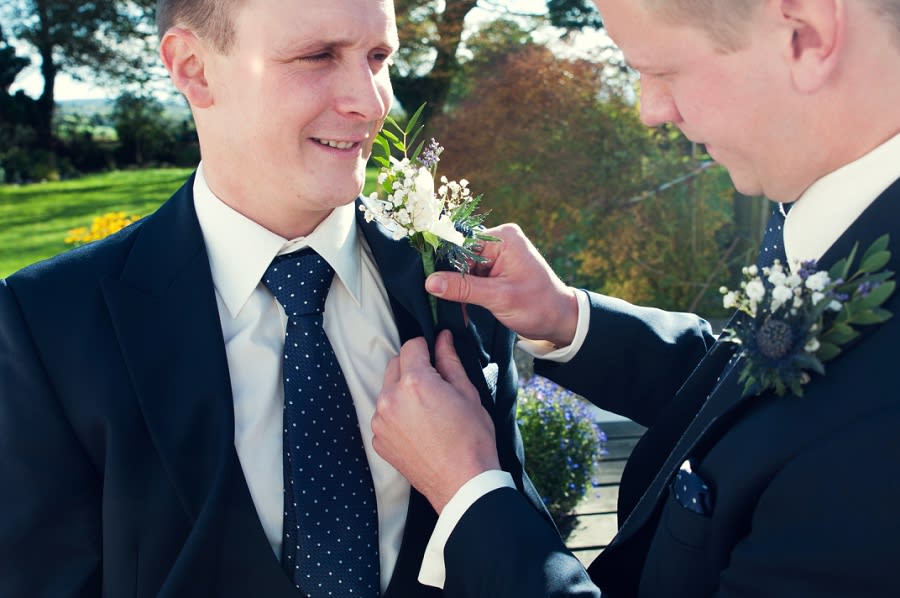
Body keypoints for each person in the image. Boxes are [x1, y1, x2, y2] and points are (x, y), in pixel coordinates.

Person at [0, 0, 551, 595]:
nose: (369, 103)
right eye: (317, 56)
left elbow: (507, 547)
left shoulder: (457, 280)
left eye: (378, 56)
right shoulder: (47, 325)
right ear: (193, 67)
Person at [370, 0, 900, 596]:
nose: (651, 111)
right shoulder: (838, 219)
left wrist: (470, 494)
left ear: (806, 35)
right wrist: (568, 318)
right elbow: (763, 395)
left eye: (664, 71)